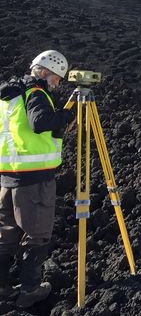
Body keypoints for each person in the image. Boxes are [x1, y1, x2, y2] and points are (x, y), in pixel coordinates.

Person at [0, 50, 76, 307]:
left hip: (8, 177)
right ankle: (30, 290)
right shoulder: (35, 93)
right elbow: (40, 122)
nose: (57, 84)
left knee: (7, 235)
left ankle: (3, 287)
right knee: (37, 235)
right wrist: (66, 116)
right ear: (43, 72)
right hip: (34, 180)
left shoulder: (10, 96)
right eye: (56, 78)